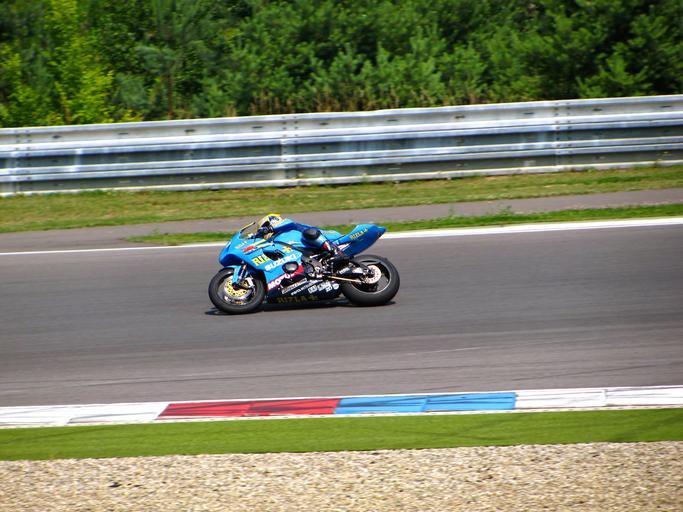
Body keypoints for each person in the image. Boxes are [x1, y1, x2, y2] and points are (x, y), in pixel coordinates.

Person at [255, 213, 348, 265]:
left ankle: (335, 251)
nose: (263, 234)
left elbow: (287, 223)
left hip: (329, 237)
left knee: (308, 233)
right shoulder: (277, 240)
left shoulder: (287, 226)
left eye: (264, 228)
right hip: (311, 251)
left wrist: (269, 229)